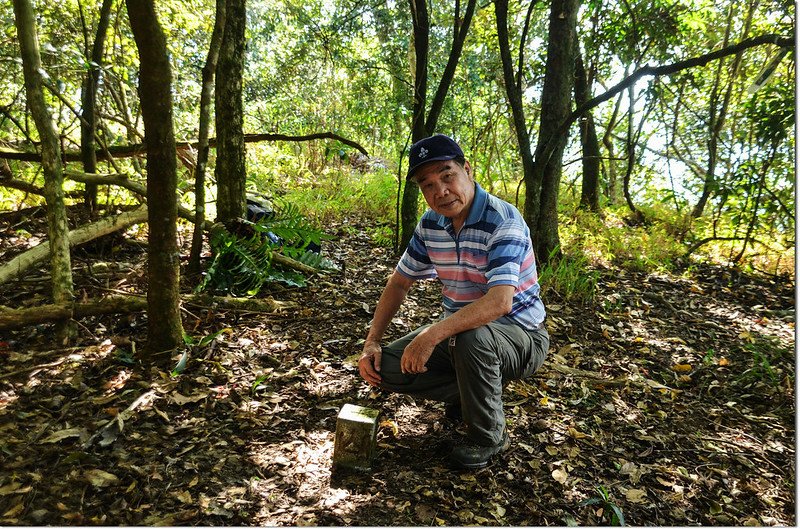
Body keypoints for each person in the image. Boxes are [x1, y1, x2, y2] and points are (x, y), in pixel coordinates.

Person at [358, 134, 549, 469]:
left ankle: (489, 436)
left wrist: (431, 335)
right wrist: (371, 341)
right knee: (384, 369)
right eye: (427, 184)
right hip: (461, 335)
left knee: (469, 338)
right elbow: (399, 282)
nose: (440, 191)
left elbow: (499, 303)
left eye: (447, 176)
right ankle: (470, 391)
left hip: (521, 337)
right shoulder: (431, 224)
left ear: (467, 170)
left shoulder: (502, 220)